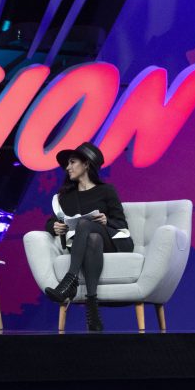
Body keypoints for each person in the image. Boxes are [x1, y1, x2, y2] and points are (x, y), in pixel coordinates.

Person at [43, 142, 133, 331]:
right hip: (87, 243)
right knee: (92, 238)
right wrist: (55, 227)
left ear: (86, 165)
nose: (68, 168)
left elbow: (122, 225)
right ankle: (92, 307)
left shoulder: (106, 190)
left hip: (112, 240)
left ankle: (69, 281)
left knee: (87, 225)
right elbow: (50, 222)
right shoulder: (65, 197)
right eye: (67, 164)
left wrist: (105, 220)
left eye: (72, 162)